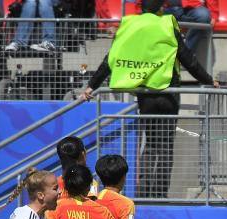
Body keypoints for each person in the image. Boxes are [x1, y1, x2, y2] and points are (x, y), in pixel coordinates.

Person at [82, 0, 219, 200]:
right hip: (168, 92)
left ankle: (144, 191)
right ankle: (160, 193)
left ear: (141, 7)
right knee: (166, 145)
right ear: (161, 8)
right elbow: (188, 59)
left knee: (151, 142)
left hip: (145, 93)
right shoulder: (166, 25)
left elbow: (110, 59)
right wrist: (208, 80)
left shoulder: (129, 25)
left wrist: (91, 85)